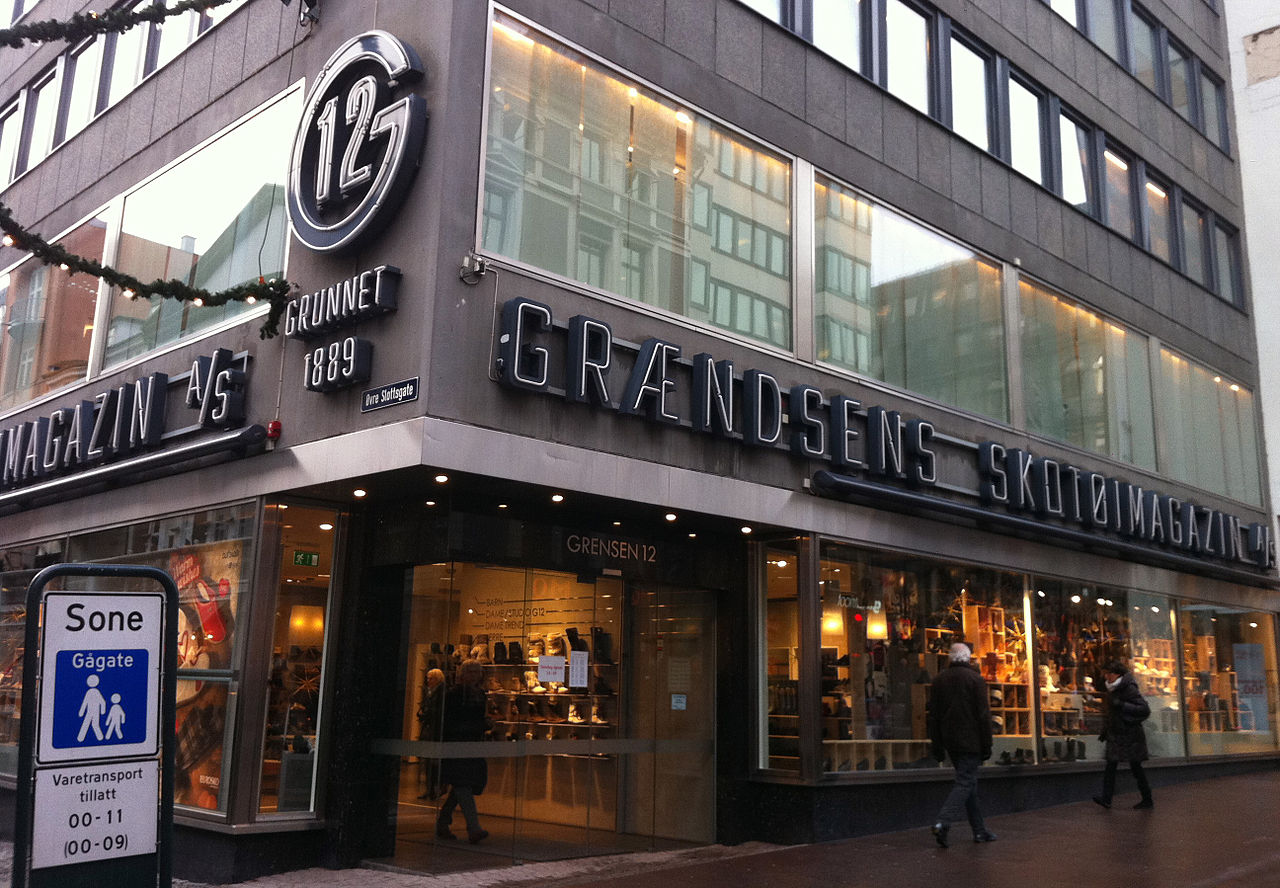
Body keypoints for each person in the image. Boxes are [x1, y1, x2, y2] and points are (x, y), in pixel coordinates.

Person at [927, 642, 997, 847]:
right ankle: (942, 821)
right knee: (965, 783)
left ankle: (979, 831)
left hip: (950, 741)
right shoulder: (975, 679)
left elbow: (935, 716)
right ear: (968, 658)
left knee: (969, 784)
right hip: (971, 741)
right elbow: (983, 715)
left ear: (950, 658)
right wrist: (987, 744)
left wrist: (937, 745)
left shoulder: (939, 680)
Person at [436, 659, 491, 843]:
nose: (475, 676)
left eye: (477, 672)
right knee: (462, 785)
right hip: (458, 744)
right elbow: (449, 721)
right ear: (462, 674)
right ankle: (473, 828)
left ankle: (443, 822)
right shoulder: (455, 694)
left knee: (463, 786)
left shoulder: (479, 694)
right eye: (471, 672)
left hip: (471, 744)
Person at [1093, 660, 1153, 810]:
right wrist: (1106, 730)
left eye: (1109, 673)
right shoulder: (1111, 689)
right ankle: (1106, 798)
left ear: (1117, 674)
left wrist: (1122, 705)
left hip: (1130, 734)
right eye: (1105, 673)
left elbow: (1144, 709)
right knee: (1111, 765)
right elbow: (1112, 713)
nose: (1106, 676)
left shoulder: (1128, 688)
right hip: (1116, 734)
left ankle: (1147, 798)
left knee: (1136, 767)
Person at [417, 667, 445, 799]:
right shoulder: (430, 692)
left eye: (431, 678)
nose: (428, 681)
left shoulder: (440, 692)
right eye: (427, 678)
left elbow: (437, 711)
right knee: (429, 761)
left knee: (433, 761)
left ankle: (434, 788)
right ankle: (430, 789)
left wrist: (426, 713)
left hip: (435, 729)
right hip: (430, 728)